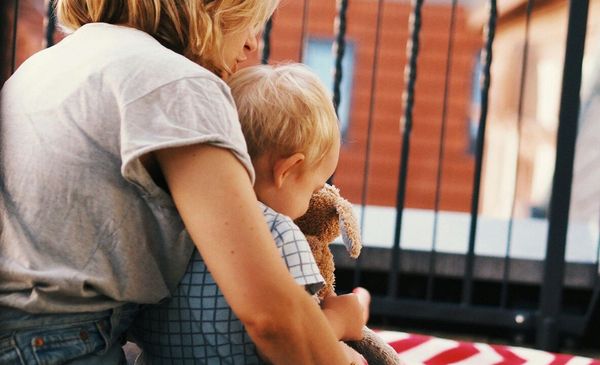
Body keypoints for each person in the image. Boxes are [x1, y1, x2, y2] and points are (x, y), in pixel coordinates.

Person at [0, 1, 354, 364]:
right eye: (249, 20)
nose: (252, 45)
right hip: (59, 345)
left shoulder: (47, 64)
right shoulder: (176, 82)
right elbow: (271, 318)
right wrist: (342, 333)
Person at [131, 63, 368, 364]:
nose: (312, 201)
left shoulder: (169, 220)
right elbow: (291, 339)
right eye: (313, 188)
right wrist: (342, 320)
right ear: (287, 170)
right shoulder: (279, 234)